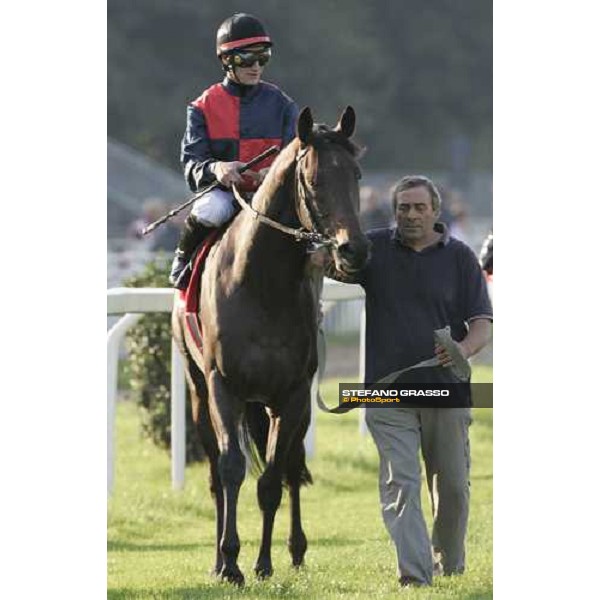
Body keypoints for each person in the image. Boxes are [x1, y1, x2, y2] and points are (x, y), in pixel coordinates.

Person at [324, 175, 493, 587]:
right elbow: (335, 262)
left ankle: (447, 564)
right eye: (403, 208)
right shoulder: (376, 248)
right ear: (393, 211)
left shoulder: (461, 258)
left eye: (419, 208)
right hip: (388, 392)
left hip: (445, 389)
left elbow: (482, 323)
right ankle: (415, 577)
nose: (411, 215)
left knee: (451, 486)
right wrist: (318, 257)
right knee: (401, 482)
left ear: (436, 211)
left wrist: (463, 350)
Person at [169, 13, 300, 288]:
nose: (256, 67)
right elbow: (192, 165)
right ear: (226, 60)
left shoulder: (284, 105)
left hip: (272, 197)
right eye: (246, 59)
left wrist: (275, 172)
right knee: (210, 209)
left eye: (263, 57)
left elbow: (295, 156)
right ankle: (183, 259)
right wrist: (217, 168)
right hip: (226, 195)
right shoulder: (202, 107)